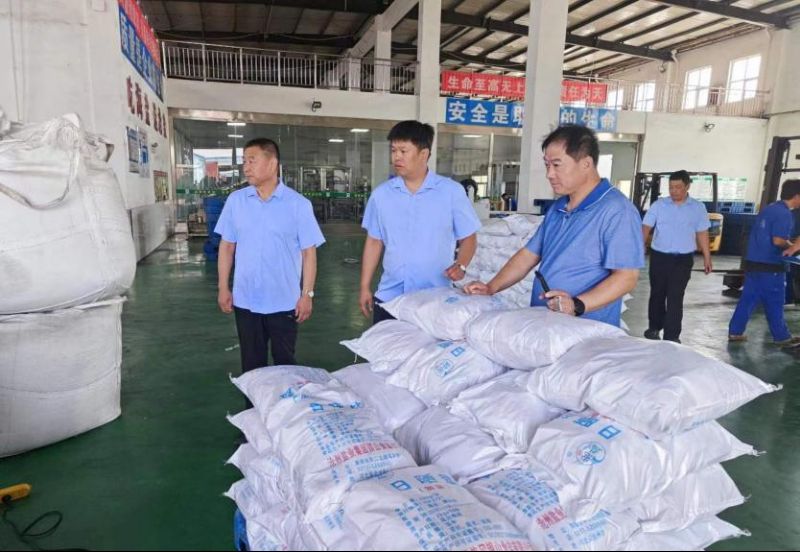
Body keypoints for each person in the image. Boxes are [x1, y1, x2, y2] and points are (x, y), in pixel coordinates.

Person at [465, 125, 644, 327]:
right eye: (547, 165)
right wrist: (491, 287)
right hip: (547, 322)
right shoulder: (559, 207)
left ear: (586, 164)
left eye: (557, 165)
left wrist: (577, 305)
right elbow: (528, 255)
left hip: (587, 329)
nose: (549, 174)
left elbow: (626, 277)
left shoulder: (616, 211)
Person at [215, 138, 325, 377]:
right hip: (246, 300)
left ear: (272, 163)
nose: (246, 167)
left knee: (285, 364)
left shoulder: (298, 205)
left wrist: (307, 295)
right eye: (244, 161)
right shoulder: (236, 201)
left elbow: (309, 253)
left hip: (284, 301)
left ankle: (285, 401)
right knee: (251, 366)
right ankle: (253, 402)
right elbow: (227, 247)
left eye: (252, 161)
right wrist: (223, 287)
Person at [360, 120, 481, 324]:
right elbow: (374, 241)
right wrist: (364, 286)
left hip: (435, 299)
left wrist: (461, 265)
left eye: (403, 151)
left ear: (423, 154)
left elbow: (468, 237)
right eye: (393, 150)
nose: (396, 157)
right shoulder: (381, 195)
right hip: (390, 297)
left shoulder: (451, 192)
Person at [641, 170, 713, 343]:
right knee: (657, 293)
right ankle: (654, 327)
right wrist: (639, 248)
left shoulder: (698, 208)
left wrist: (707, 257)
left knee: (676, 296)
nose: (673, 191)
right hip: (659, 257)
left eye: (678, 187)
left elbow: (702, 233)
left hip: (683, 260)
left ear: (687, 186)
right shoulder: (659, 205)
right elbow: (646, 227)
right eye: (671, 187)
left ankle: (672, 335)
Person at [729, 179, 800, 347]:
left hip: (754, 262)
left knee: (748, 298)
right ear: (797, 196)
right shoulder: (785, 214)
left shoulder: (770, 208)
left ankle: (735, 331)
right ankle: (782, 337)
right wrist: (793, 247)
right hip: (771, 265)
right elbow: (778, 240)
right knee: (775, 300)